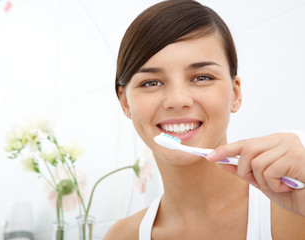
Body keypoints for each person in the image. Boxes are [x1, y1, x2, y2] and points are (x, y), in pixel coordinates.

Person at [104, 0, 305, 239]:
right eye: (151, 82)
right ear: (125, 102)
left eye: (201, 77)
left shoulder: (294, 216)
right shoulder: (121, 235)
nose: (177, 100)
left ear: (235, 93)